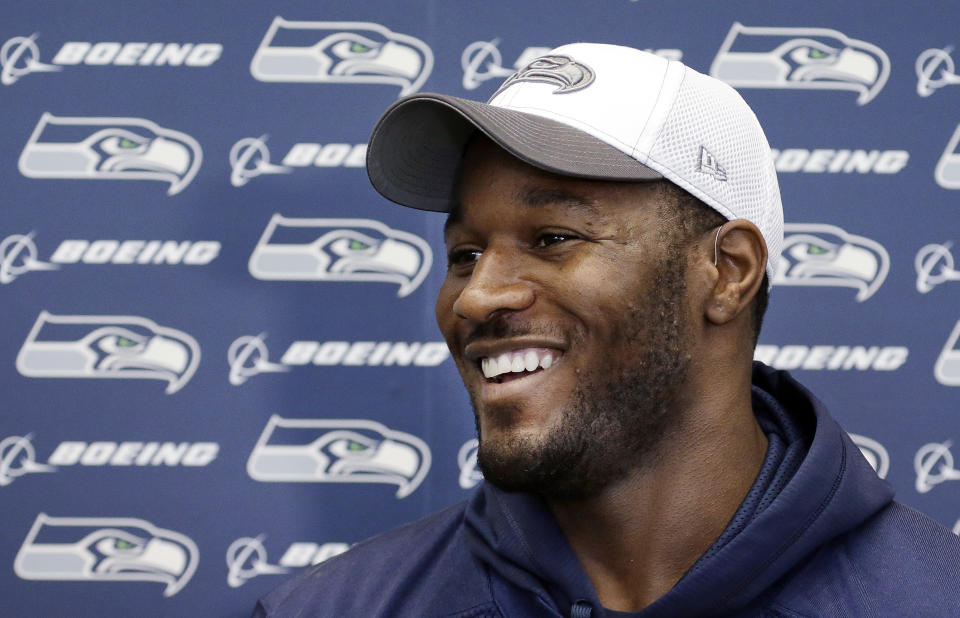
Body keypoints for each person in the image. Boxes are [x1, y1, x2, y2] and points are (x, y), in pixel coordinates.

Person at [254, 43, 960, 617]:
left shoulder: (927, 598)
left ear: (727, 272)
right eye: (465, 254)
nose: (477, 297)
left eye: (554, 237)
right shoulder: (333, 607)